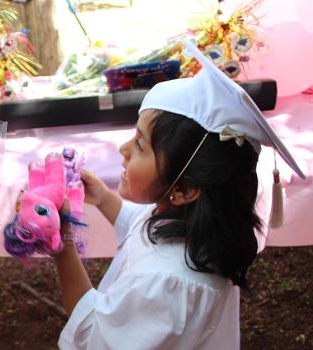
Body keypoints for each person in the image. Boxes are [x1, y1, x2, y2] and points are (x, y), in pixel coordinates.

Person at [53, 40, 306, 349]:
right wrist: (104, 197)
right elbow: (142, 227)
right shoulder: (188, 221)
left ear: (185, 189)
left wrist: (62, 243)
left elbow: (94, 336)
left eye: (141, 145)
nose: (123, 149)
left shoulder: (165, 283)